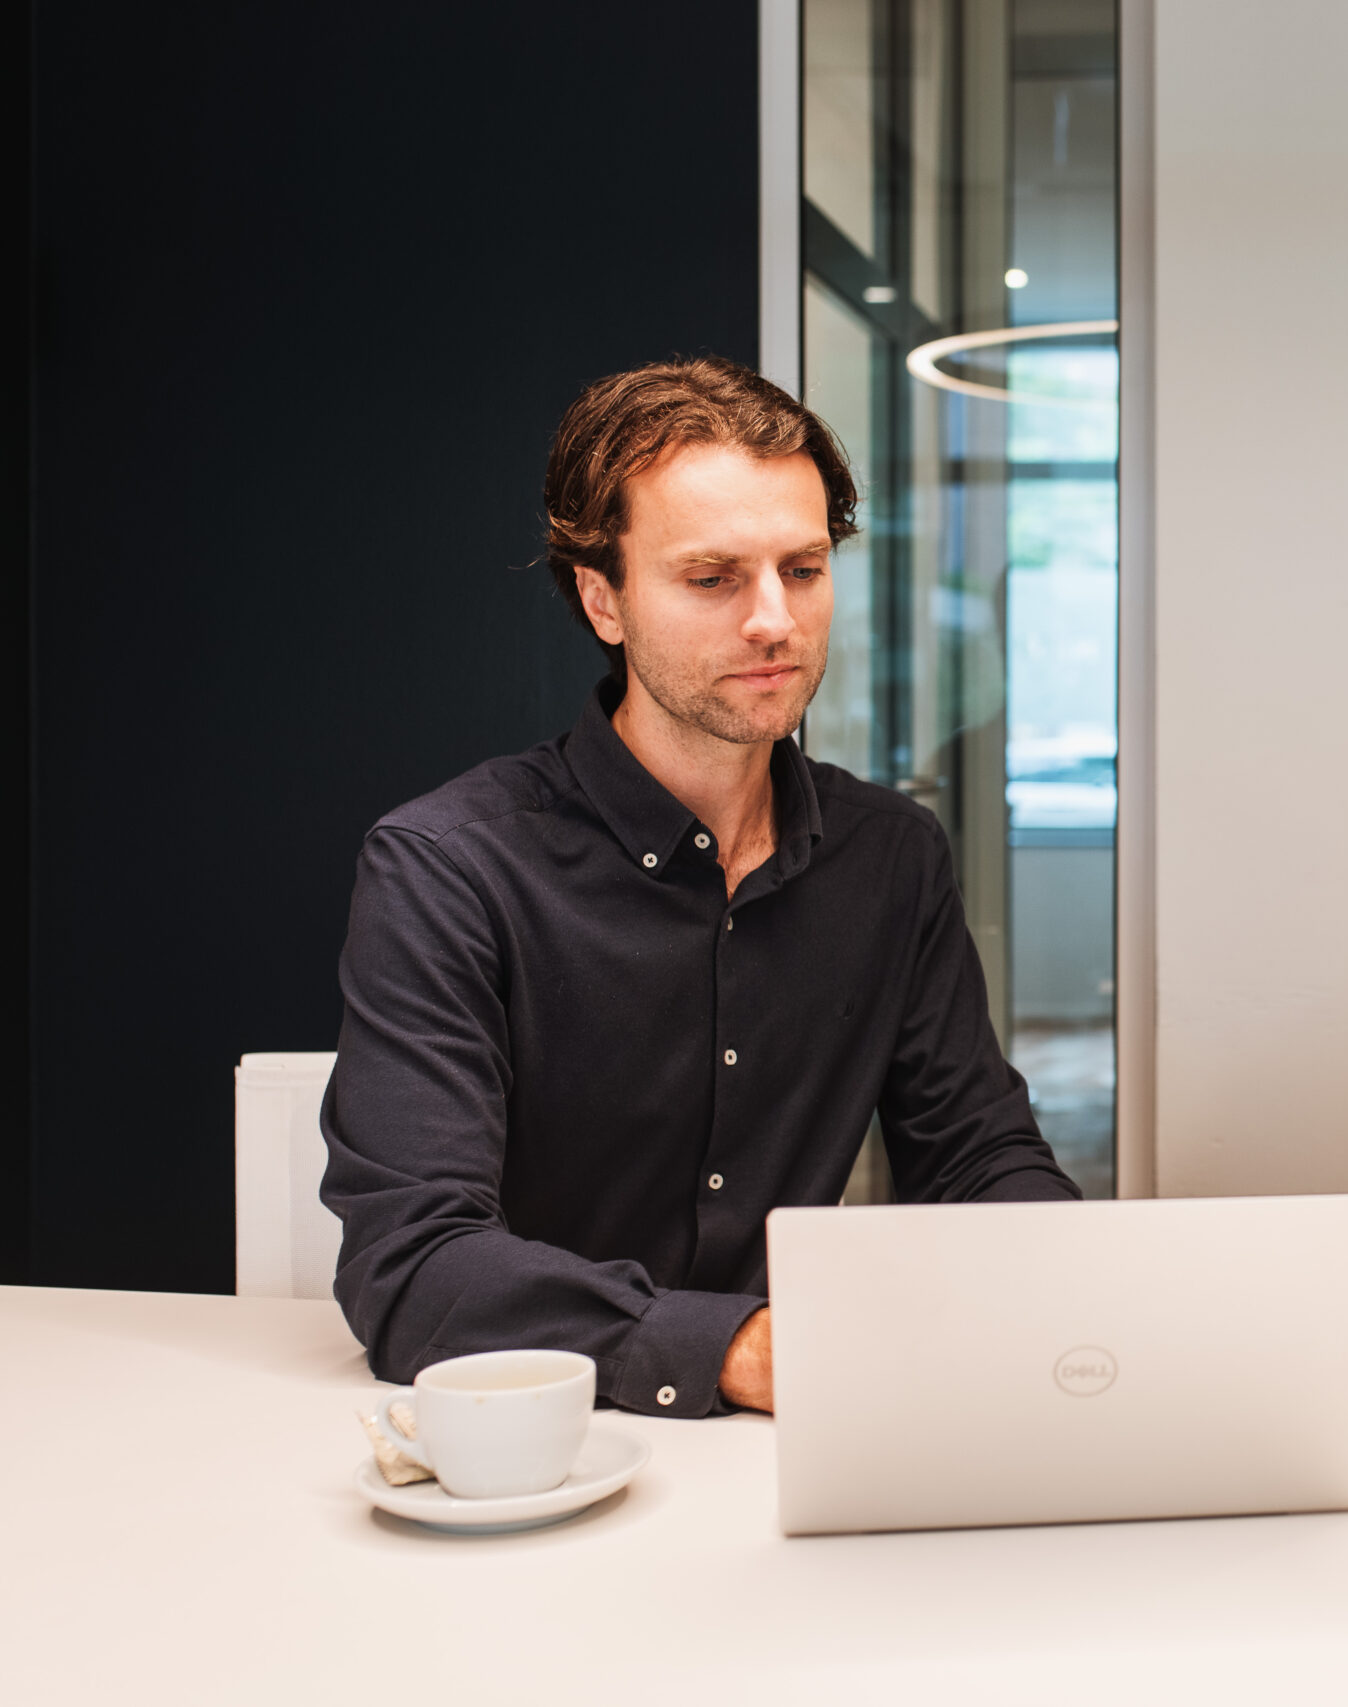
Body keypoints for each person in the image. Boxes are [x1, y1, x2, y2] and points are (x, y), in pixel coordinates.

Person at [322, 357, 1077, 1418]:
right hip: (537, 1440)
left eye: (802, 569)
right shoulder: (448, 868)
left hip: (794, 1443)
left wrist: (1081, 1288)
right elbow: (413, 1269)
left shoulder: (891, 856)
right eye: (713, 578)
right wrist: (744, 1348)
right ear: (604, 599)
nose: (774, 620)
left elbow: (975, 1157)